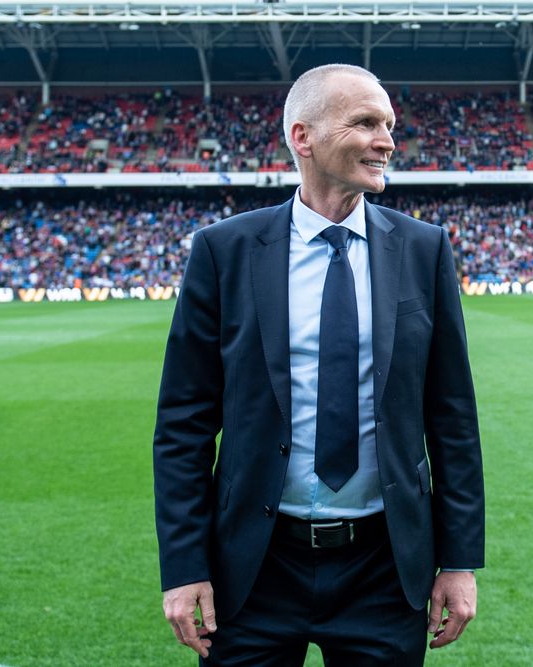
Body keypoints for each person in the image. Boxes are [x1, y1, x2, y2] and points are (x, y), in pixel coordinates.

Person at [153, 63, 485, 666]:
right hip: (253, 568)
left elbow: (452, 416)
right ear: (302, 137)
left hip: (384, 570)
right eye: (365, 123)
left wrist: (458, 561)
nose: (387, 140)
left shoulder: (423, 249)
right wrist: (183, 567)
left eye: (389, 124)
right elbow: (183, 425)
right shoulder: (223, 252)